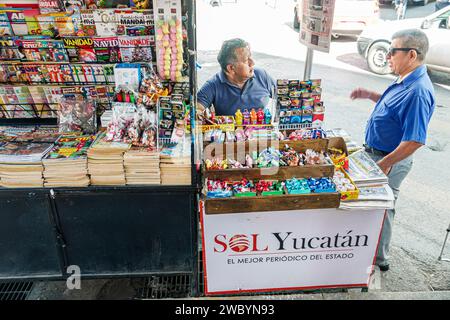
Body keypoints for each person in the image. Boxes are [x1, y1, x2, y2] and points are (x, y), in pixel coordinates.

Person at [350, 29, 435, 272]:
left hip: (389, 159)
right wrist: (370, 95)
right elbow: (394, 108)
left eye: (392, 51)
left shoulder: (418, 91)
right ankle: (365, 249)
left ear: (411, 55)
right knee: (373, 205)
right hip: (379, 154)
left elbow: (415, 140)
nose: (387, 56)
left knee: (383, 206)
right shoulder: (406, 78)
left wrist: (384, 162)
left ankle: (378, 259)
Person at [197, 38, 276, 116]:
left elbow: (285, 96)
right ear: (231, 68)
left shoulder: (261, 75)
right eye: (246, 60)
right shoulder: (213, 85)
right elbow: (196, 110)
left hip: (262, 127)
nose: (252, 63)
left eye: (250, 57)